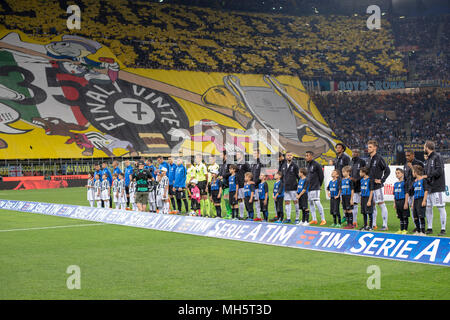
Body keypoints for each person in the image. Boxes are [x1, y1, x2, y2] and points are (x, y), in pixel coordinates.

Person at [423, 141, 447, 236]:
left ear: (427, 147)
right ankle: (429, 228)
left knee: (441, 207)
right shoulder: (428, 159)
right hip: (430, 188)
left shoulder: (437, 156)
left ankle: (443, 229)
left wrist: (427, 175)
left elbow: (439, 171)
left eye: (424, 147)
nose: (423, 148)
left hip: (438, 187)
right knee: (428, 208)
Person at [367, 140, 390, 231]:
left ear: (375, 148)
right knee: (372, 205)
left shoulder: (379, 158)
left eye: (370, 147)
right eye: (368, 147)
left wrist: (382, 180)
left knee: (381, 204)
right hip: (370, 186)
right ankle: (373, 224)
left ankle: (385, 225)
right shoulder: (369, 159)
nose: (368, 149)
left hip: (377, 186)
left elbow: (387, 170)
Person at [305, 150, 325, 225]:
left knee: (317, 202)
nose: (306, 157)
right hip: (309, 187)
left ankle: (323, 219)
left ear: (312, 156)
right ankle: (314, 219)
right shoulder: (308, 165)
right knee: (310, 203)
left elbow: (321, 176)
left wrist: (319, 185)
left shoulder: (316, 164)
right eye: (305, 155)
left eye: (307, 155)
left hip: (315, 187)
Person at [280, 151, 300, 224]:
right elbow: (281, 177)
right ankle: (288, 218)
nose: (289, 156)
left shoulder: (295, 165)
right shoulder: (283, 165)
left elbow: (299, 177)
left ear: (292, 157)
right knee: (287, 202)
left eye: (291, 155)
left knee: (295, 202)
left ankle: (297, 218)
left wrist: (299, 187)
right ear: (286, 156)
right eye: (288, 155)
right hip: (285, 188)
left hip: (294, 187)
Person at [350, 149, 366, 228]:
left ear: (359, 153)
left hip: (362, 186)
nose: (354, 153)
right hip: (354, 187)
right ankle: (354, 221)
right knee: (355, 204)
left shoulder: (362, 161)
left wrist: (357, 180)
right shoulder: (351, 161)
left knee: (365, 205)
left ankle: (371, 223)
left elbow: (365, 172)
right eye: (353, 152)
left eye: (356, 152)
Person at [410, 165, 429, 236]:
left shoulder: (423, 181)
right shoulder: (415, 182)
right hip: (416, 200)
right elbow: (414, 193)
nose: (412, 173)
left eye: (413, 172)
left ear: (416, 172)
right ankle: (418, 231)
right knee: (415, 216)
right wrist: (413, 203)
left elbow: (426, 191)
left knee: (421, 216)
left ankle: (423, 232)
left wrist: (424, 201)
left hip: (421, 199)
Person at [235, 150, 251, 219]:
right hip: (239, 185)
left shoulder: (245, 164)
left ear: (241, 155)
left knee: (246, 200)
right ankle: (241, 215)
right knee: (240, 200)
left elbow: (249, 173)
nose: (236, 155)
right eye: (236, 154)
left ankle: (248, 215)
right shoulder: (237, 164)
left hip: (244, 185)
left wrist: (247, 182)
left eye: (238, 154)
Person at [393, 168, 410, 234]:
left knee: (405, 216)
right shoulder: (395, 184)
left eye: (398, 173)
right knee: (400, 216)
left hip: (403, 201)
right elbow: (394, 194)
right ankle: (401, 229)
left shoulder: (405, 183)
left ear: (402, 174)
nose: (397, 174)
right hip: (397, 201)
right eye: (396, 173)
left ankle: (405, 229)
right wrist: (394, 203)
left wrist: (406, 203)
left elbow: (406, 193)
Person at [218, 151, 232, 218]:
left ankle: (231, 213)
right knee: (225, 199)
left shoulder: (229, 163)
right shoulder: (221, 164)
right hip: (222, 184)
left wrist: (223, 176)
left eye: (221, 154)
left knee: (227, 199)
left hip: (228, 184)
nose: (220, 155)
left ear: (225, 155)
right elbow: (219, 172)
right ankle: (228, 213)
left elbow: (231, 172)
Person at [359, 167, 373, 231]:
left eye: (360, 172)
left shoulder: (370, 180)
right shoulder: (361, 180)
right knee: (364, 212)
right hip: (363, 197)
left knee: (369, 212)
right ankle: (365, 225)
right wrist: (360, 199)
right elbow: (361, 190)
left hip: (368, 197)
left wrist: (369, 200)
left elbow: (371, 191)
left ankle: (371, 226)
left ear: (364, 173)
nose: (359, 173)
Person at [251, 150, 263, 219]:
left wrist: (256, 182)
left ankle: (262, 216)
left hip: (259, 185)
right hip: (253, 186)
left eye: (256, 153)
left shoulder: (261, 163)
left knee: (259, 201)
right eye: (253, 153)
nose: (254, 155)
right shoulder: (253, 163)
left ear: (259, 154)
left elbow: (262, 175)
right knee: (255, 201)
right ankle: (258, 216)